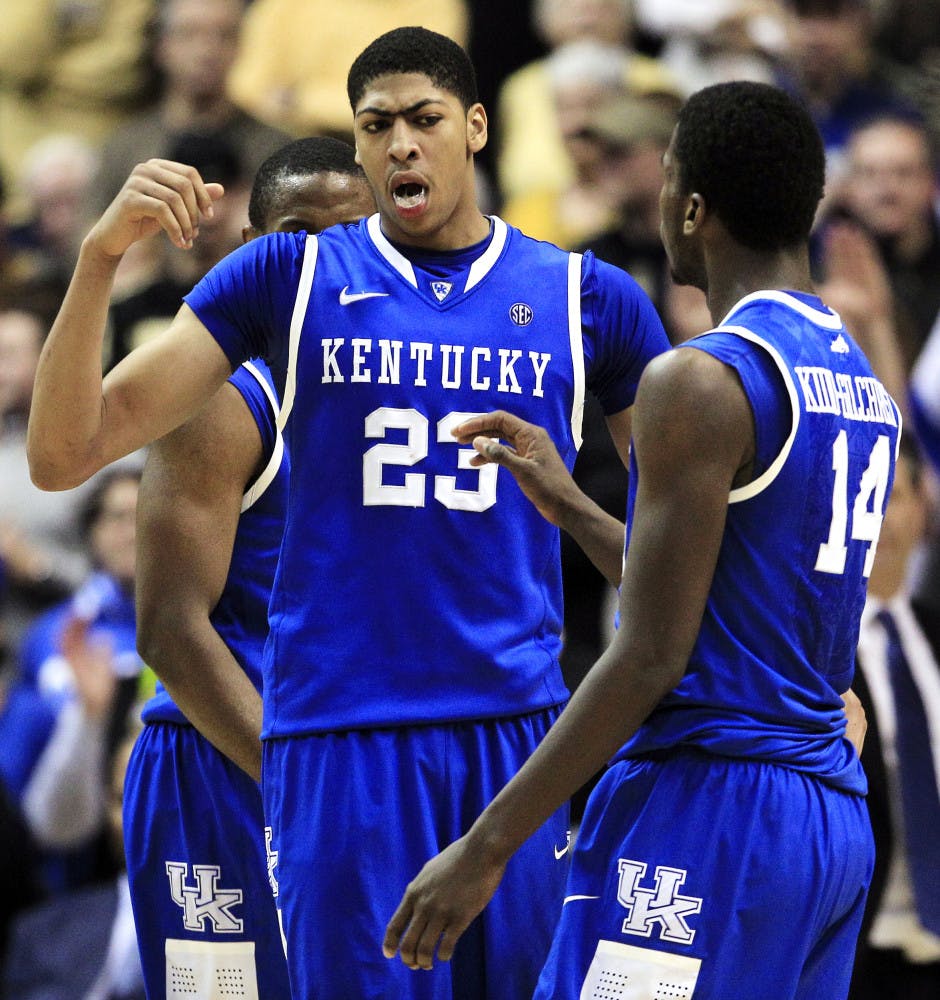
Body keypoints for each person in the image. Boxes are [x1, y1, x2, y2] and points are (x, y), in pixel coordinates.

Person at [25, 26, 670, 1000]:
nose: (401, 142)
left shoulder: (590, 298)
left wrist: (802, 670)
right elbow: (63, 454)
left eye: (424, 119)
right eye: (377, 125)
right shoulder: (284, 278)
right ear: (359, 145)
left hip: (516, 738)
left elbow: (675, 557)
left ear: (477, 127)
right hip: (342, 742)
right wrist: (99, 256)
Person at [382, 80, 900, 1000]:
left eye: (666, 178)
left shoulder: (698, 379)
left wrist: (487, 845)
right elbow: (725, 605)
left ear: (692, 208)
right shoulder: (858, 380)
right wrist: (572, 506)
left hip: (712, 808)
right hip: (826, 820)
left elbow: (652, 652)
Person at [124, 135, 375, 1000]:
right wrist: (293, 780)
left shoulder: (399, 385)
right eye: (298, 234)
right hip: (224, 761)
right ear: (251, 248)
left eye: (349, 236)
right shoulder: (222, 399)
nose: (321, 259)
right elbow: (168, 628)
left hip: (345, 767)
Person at [850, 438, 940, 999]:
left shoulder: (933, 630)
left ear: (922, 505)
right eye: (864, 498)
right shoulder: (809, 652)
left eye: (893, 496)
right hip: (860, 943)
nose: (879, 516)